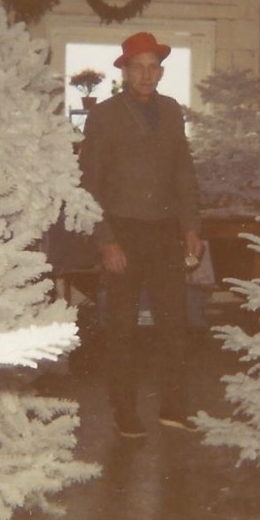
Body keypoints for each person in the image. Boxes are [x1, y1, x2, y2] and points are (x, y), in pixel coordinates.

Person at [79, 31, 203, 439]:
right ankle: (124, 411)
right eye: (139, 67)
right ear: (125, 71)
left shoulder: (171, 112)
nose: (147, 75)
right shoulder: (104, 115)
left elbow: (183, 173)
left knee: (174, 323)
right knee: (122, 327)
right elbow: (89, 185)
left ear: (161, 72)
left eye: (153, 67)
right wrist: (106, 241)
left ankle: (173, 407)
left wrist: (190, 227)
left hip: (165, 231)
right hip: (123, 233)